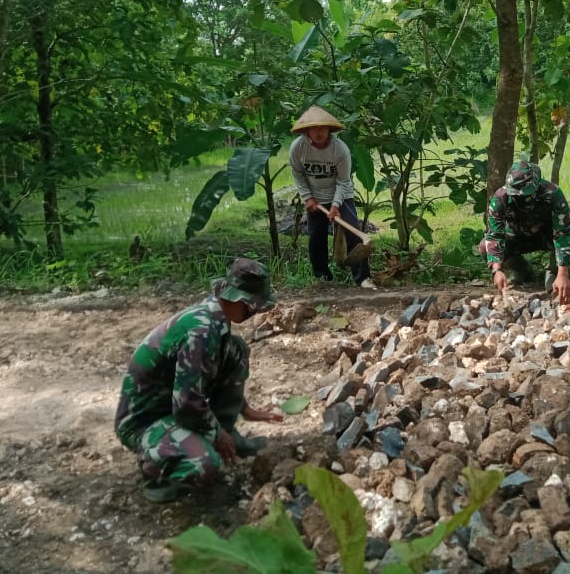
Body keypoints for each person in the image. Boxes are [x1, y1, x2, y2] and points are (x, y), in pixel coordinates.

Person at [114, 258, 284, 503]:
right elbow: (186, 403)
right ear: (238, 299)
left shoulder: (215, 319)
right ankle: (157, 471)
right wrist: (215, 434)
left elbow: (209, 373)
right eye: (252, 306)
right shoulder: (201, 331)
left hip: (172, 404)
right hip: (144, 419)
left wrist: (245, 410)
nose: (254, 313)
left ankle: (223, 435)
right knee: (204, 464)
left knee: (235, 349)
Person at [289, 106, 375, 289]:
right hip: (315, 198)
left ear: (329, 129)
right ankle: (322, 277)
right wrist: (307, 197)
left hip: (342, 195)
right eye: (314, 128)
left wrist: (336, 204)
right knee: (316, 237)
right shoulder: (298, 148)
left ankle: (362, 278)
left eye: (323, 128)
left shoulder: (340, 149)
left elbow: (344, 182)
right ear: (307, 131)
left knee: (353, 232)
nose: (319, 132)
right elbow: (298, 175)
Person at [478, 160, 570, 305]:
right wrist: (496, 270)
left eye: (525, 194)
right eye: (516, 195)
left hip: (548, 236)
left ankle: (553, 272)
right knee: (485, 245)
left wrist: (563, 273)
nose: (521, 198)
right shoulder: (500, 198)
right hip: (517, 237)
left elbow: (563, 232)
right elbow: (494, 235)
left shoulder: (552, 193)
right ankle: (523, 270)